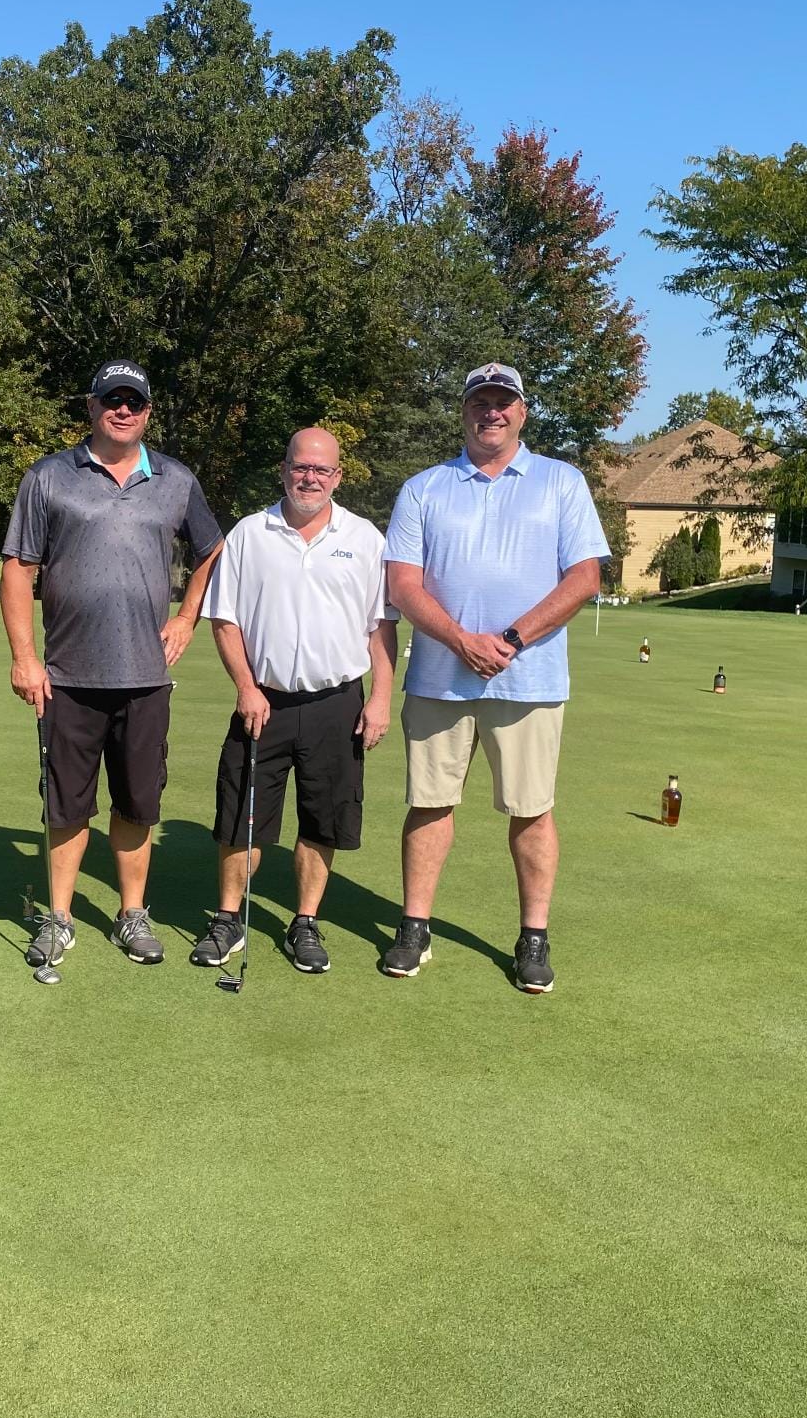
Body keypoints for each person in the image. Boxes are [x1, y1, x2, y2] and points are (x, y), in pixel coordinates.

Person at [381, 362, 609, 993]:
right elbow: (403, 584)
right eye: (480, 401)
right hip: (439, 679)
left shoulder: (562, 482)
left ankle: (533, 937)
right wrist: (461, 640)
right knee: (429, 805)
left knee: (531, 811)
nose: (492, 412)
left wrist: (509, 640)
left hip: (529, 680)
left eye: (503, 402)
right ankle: (414, 928)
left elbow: (584, 578)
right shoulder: (424, 488)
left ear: (522, 411)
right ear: (464, 411)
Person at [0, 358, 224, 968]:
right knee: (66, 806)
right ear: (92, 407)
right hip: (67, 676)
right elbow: (19, 567)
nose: (122, 410)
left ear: (147, 412)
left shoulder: (175, 479)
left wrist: (187, 616)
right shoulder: (49, 476)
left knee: (136, 803)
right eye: (111, 400)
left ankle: (132, 915)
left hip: (146, 677)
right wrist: (25, 657)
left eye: (134, 402)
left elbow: (211, 549)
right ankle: (59, 918)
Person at [193, 428, 397, 974]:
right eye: (300, 467)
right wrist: (245, 687)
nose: (310, 478)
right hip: (263, 701)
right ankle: (228, 919)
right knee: (240, 815)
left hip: (337, 703)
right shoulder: (249, 533)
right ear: (283, 470)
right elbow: (225, 619)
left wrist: (380, 699)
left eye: (321, 469)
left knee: (323, 819)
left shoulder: (364, 538)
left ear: (337, 476)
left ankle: (305, 921)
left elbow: (380, 628)